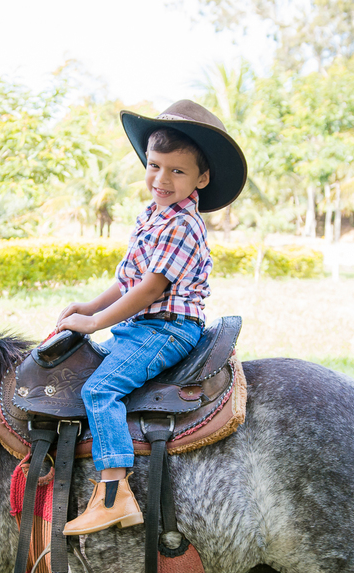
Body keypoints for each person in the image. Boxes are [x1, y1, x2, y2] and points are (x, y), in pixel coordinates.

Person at [54, 99, 247, 535]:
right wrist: (90, 306)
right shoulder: (152, 216)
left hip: (166, 329)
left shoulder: (181, 225)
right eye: (155, 166)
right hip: (141, 324)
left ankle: (114, 494)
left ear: (202, 178)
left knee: (100, 389)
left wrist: (95, 323)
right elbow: (128, 280)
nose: (162, 179)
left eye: (177, 171)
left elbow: (151, 289)